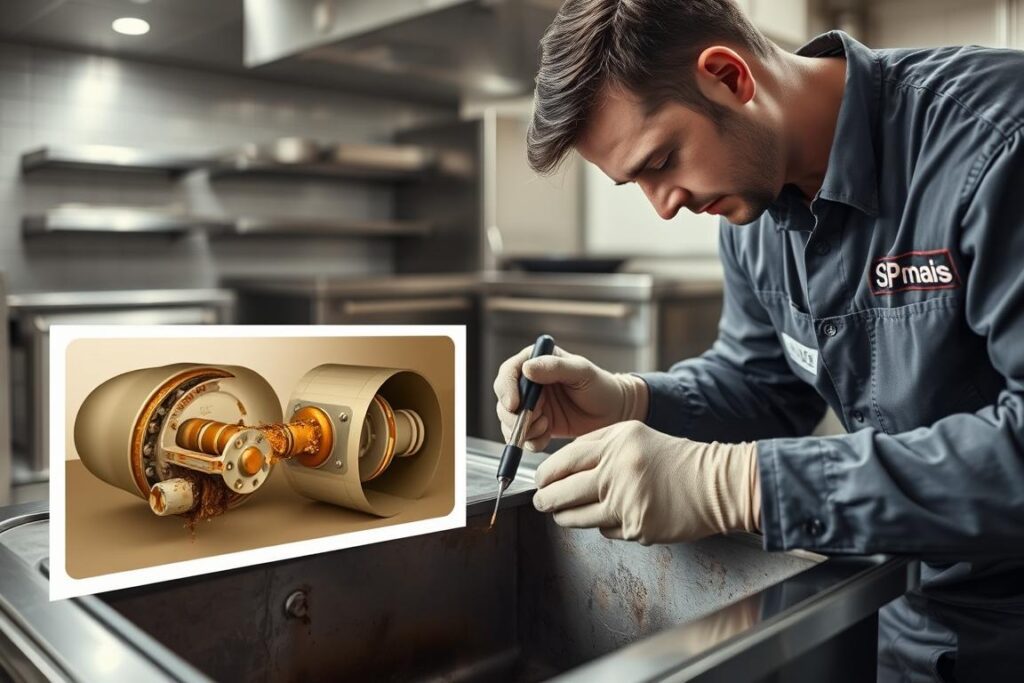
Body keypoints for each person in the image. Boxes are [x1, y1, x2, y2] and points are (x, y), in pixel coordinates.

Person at [492, 1, 1024, 680]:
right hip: (911, 622)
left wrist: (742, 486)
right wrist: (628, 401)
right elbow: (762, 388)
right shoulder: (751, 216)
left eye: (661, 160)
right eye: (637, 183)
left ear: (729, 77)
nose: (663, 204)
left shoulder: (997, 141)